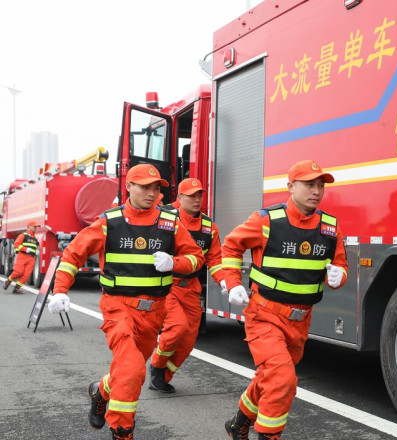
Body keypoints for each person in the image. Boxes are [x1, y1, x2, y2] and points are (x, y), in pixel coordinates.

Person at [46, 164, 204, 440]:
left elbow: (196, 258)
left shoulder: (170, 222)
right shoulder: (110, 221)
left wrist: (174, 263)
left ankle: (101, 391)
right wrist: (60, 290)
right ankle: (122, 431)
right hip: (118, 308)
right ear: (129, 186)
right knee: (132, 370)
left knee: (127, 369)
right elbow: (73, 254)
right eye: (144, 187)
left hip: (155, 312)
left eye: (155, 188)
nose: (151, 193)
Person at [222, 160, 348, 440]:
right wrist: (232, 283)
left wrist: (339, 275)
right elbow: (230, 246)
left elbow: (339, 265)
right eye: (309, 184)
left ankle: (239, 422)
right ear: (291, 186)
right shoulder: (266, 220)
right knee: (281, 379)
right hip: (264, 315)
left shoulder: (329, 227)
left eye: (320, 185)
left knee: (270, 376)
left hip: (300, 321)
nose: (316, 191)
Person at [148, 177, 226, 393]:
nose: (197, 199)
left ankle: (163, 376)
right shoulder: (165, 219)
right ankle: (156, 365)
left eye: (199, 195)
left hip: (191, 287)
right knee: (177, 327)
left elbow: (215, 260)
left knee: (189, 339)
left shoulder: (209, 227)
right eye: (191, 196)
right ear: (180, 198)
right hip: (167, 285)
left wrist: (225, 281)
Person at [3, 221, 40, 294]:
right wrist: (25, 249)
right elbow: (16, 244)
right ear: (29, 227)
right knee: (18, 272)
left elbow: (35, 246)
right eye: (34, 226)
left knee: (26, 275)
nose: (35, 228)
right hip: (22, 256)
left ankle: (16, 289)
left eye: (36, 227)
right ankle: (8, 282)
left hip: (31, 258)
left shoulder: (36, 237)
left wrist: (36, 251)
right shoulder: (23, 235)